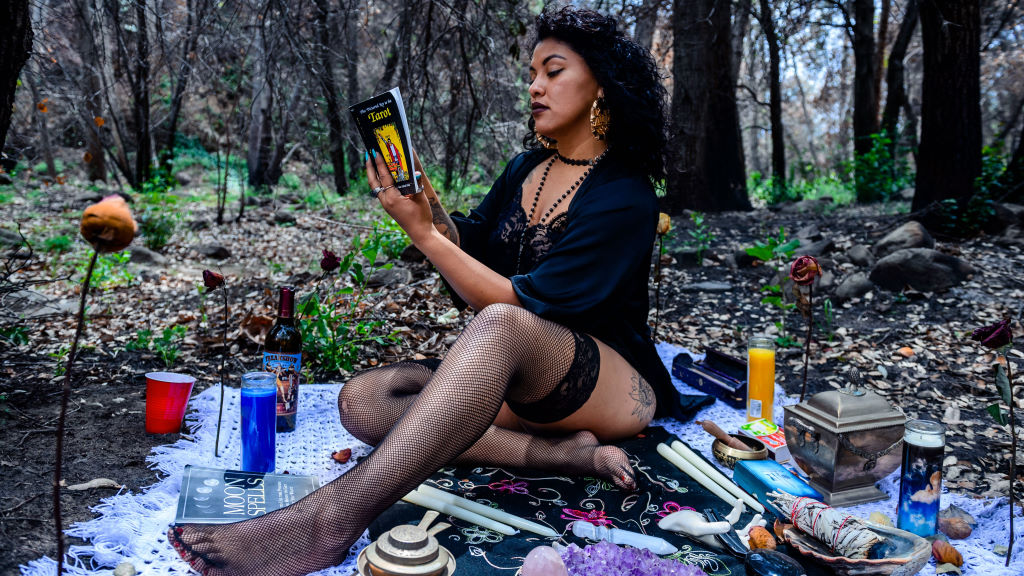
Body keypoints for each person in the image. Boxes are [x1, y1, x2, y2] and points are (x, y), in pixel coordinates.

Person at [168, 7, 676, 576]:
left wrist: (422, 234)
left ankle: (332, 516)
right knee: (361, 402)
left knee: (499, 324)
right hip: (527, 380)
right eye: (532, 72)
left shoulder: (626, 196)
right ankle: (558, 455)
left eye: (553, 71)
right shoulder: (526, 168)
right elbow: (473, 249)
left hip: (607, 381)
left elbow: (514, 304)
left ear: (601, 87)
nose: (534, 86)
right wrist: (430, 212)